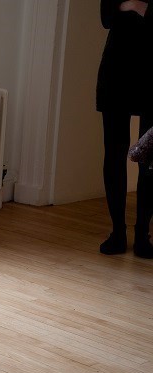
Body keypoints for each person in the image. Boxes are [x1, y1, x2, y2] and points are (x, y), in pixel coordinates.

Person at [97, 0, 153, 258]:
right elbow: (106, 17)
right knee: (114, 152)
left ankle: (143, 235)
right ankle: (117, 232)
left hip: (150, 70)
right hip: (116, 68)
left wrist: (132, 5)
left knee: (150, 157)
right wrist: (138, 6)